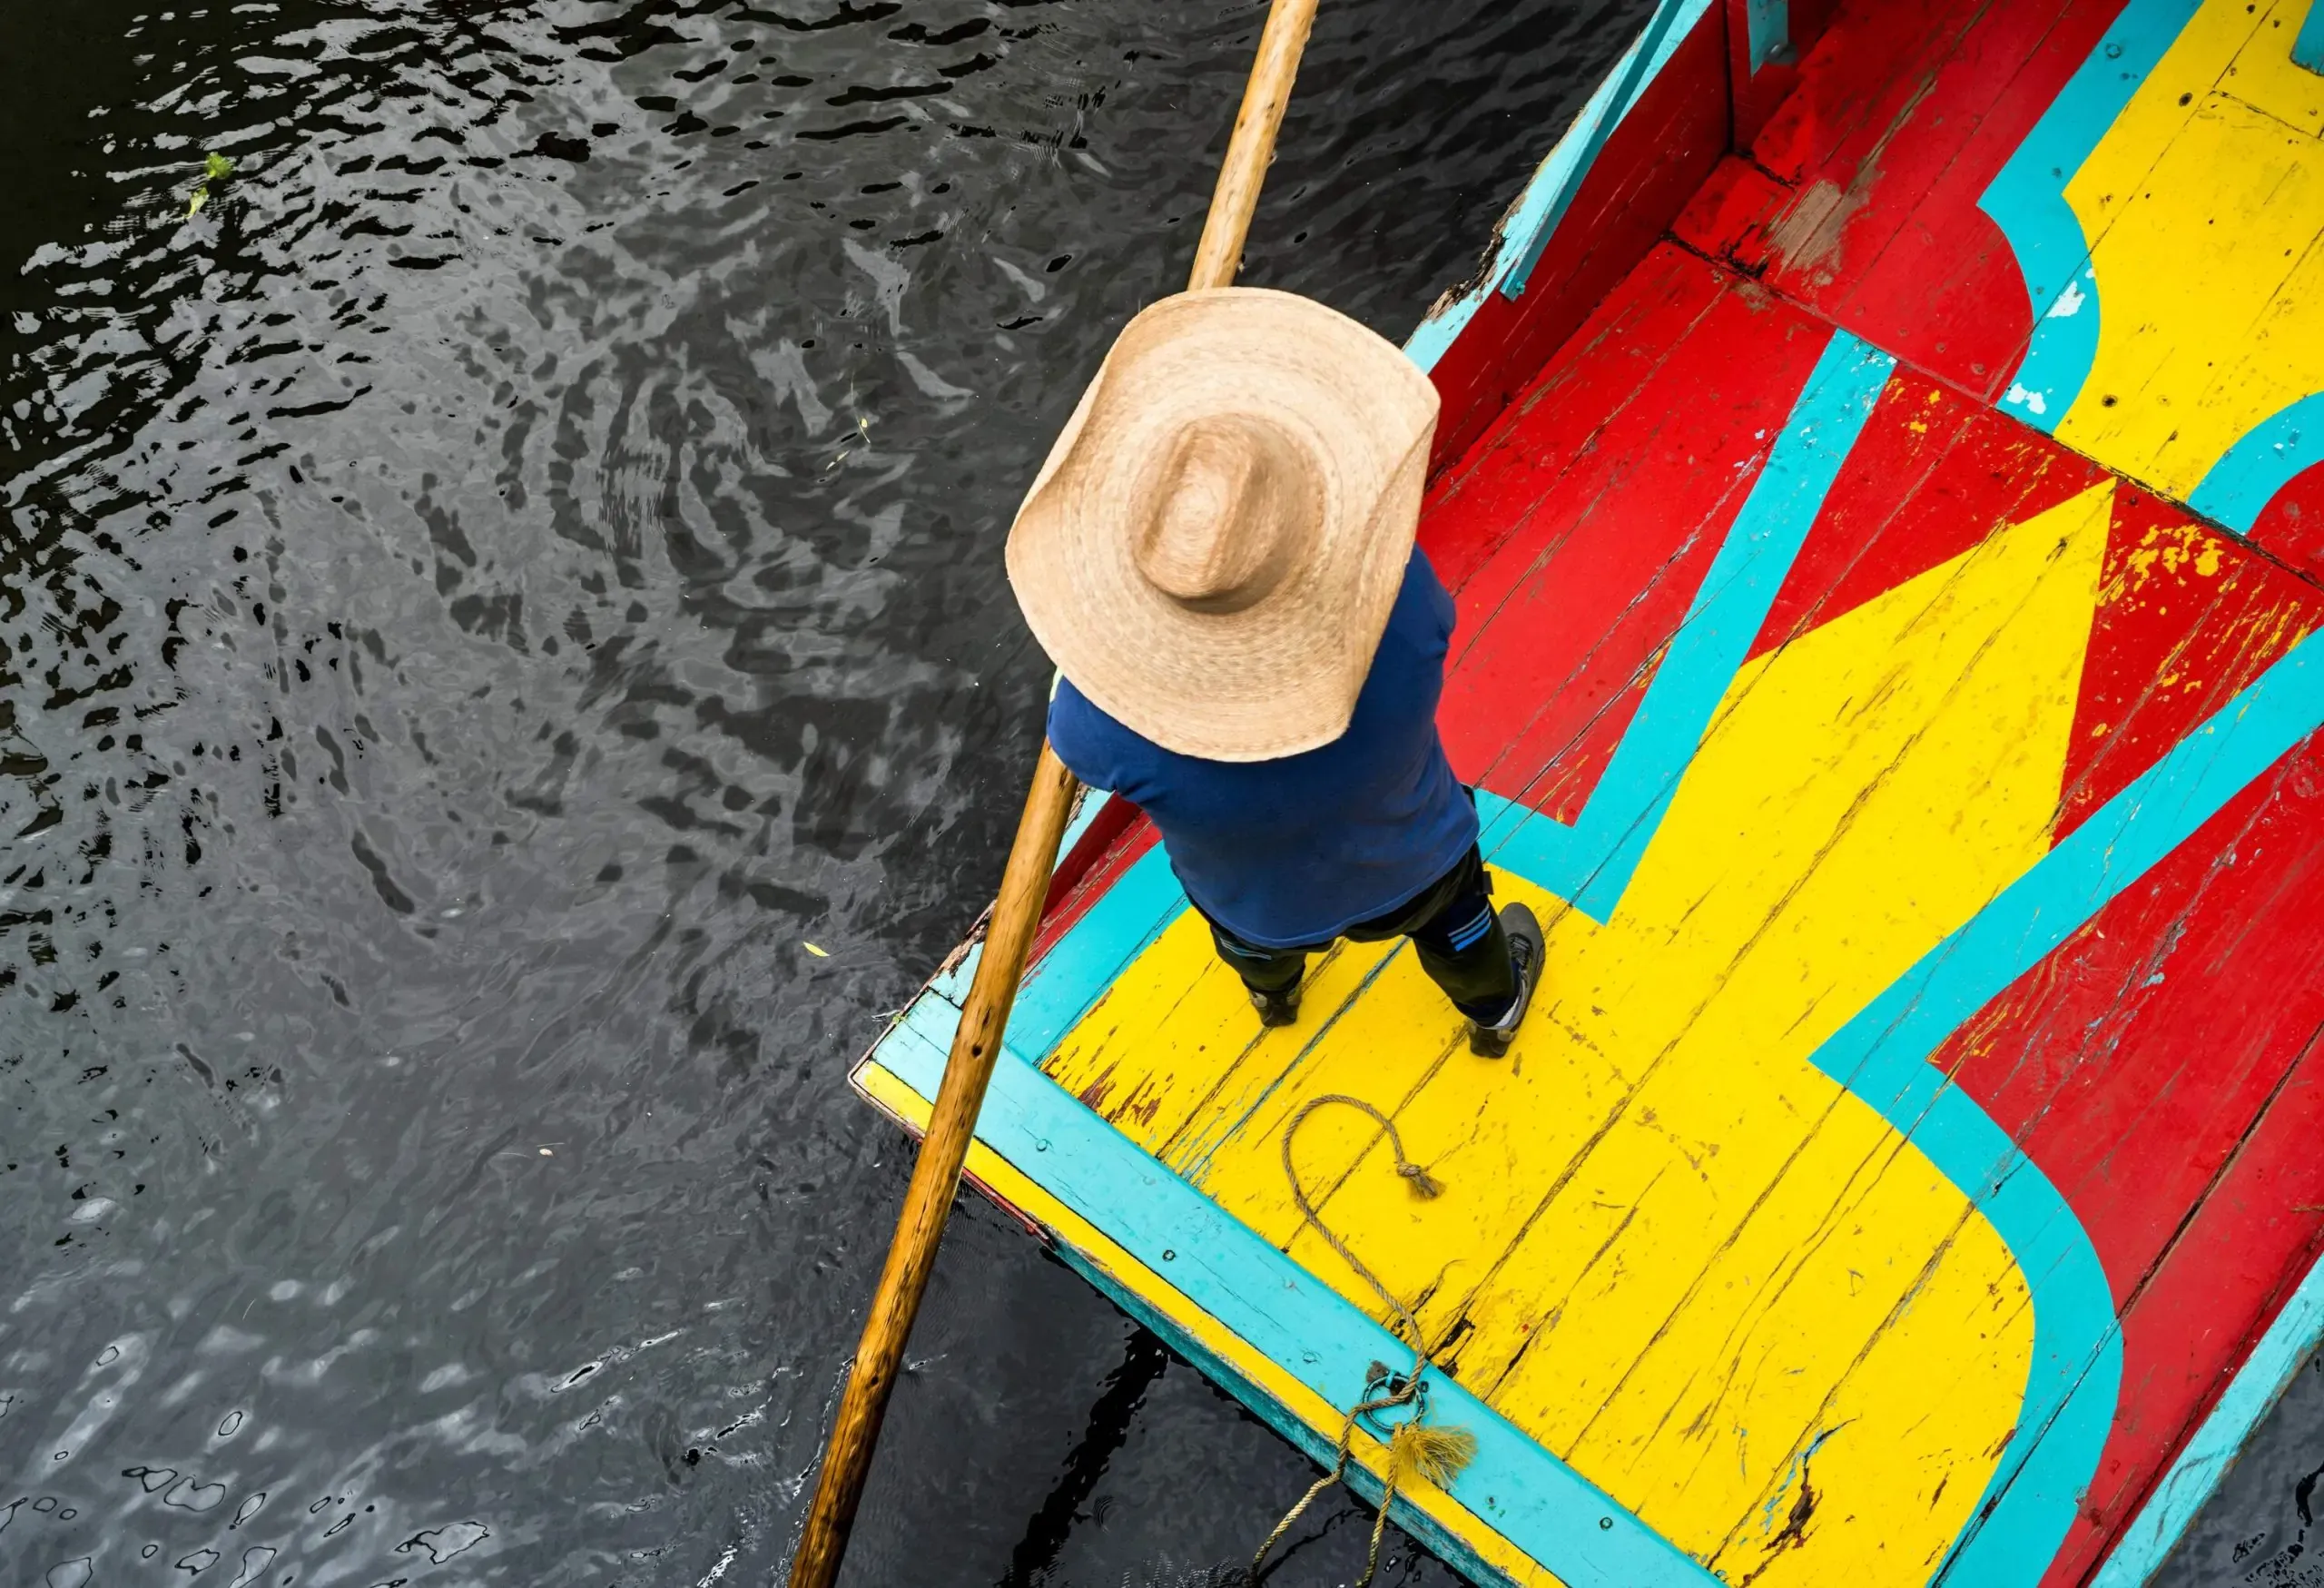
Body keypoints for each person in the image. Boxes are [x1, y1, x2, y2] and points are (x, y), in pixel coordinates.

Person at [1004, 286, 1543, 1055]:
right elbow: (1431, 628)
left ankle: (1275, 997)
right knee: (1461, 928)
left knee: (1256, 950)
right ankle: (1494, 1010)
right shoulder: (1404, 603)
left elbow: (1079, 748)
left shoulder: (1093, 720)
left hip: (1254, 905)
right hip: (1412, 861)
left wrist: (1093, 664)